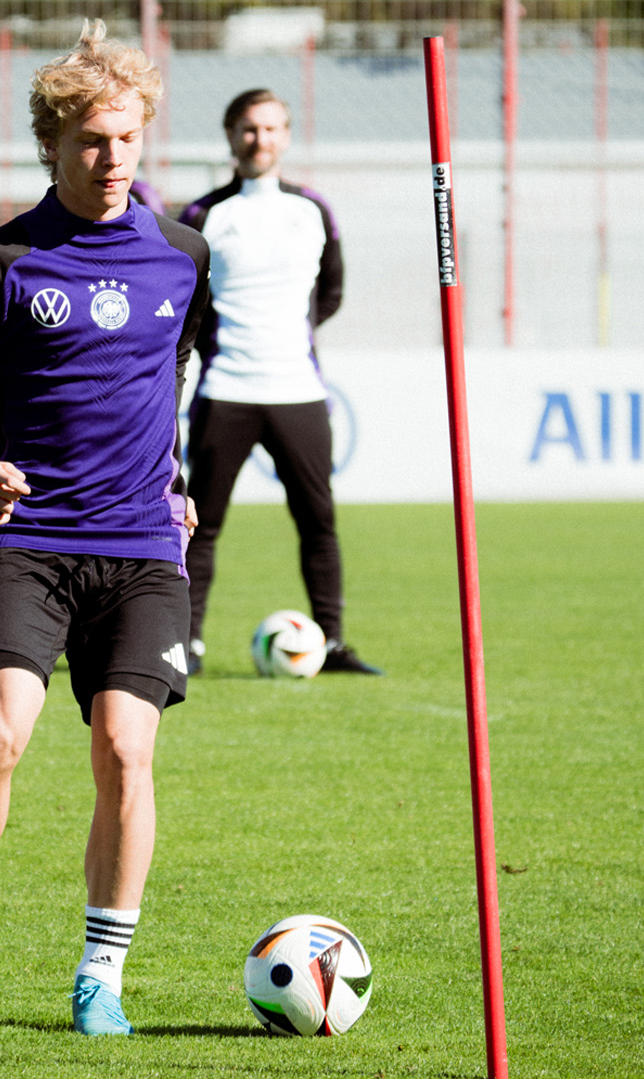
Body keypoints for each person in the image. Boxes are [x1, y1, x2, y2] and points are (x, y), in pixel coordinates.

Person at [0, 21, 208, 1037]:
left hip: (142, 551)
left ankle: (102, 976)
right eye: (91, 141)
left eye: (126, 138)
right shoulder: (3, 261)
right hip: (28, 543)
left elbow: (192, 384)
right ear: (53, 145)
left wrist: (187, 476)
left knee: (126, 750)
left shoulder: (184, 258)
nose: (112, 158)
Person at [175, 89, 381, 677]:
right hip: (226, 393)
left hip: (298, 393)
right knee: (198, 524)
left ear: (286, 136)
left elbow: (332, 291)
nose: (259, 139)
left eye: (270, 129)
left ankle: (334, 642)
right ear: (230, 136)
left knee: (318, 520)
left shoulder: (313, 210)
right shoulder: (204, 215)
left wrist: (293, 335)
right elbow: (182, 297)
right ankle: (184, 646)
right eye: (247, 129)